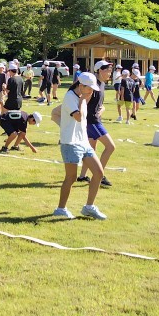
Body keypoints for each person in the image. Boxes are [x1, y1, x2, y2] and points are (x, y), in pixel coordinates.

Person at [53, 72, 106, 220]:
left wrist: (84, 99)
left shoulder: (81, 97)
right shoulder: (70, 97)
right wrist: (83, 100)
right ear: (81, 86)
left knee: (99, 173)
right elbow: (78, 117)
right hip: (71, 143)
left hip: (83, 142)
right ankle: (60, 209)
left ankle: (89, 207)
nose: (92, 91)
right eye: (89, 88)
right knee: (71, 178)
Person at [81, 61, 115, 187]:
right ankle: (99, 175)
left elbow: (99, 104)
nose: (110, 73)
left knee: (91, 149)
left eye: (110, 71)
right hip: (92, 121)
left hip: (94, 120)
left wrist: (103, 109)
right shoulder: (93, 84)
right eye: (108, 70)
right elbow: (84, 101)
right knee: (110, 147)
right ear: (100, 70)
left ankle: (82, 176)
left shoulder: (102, 84)